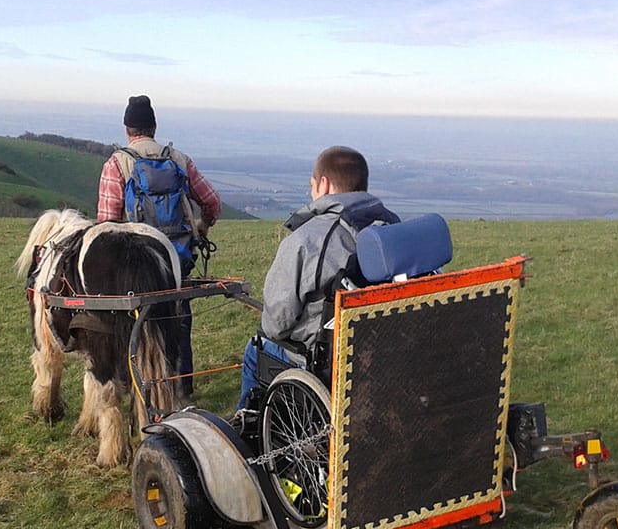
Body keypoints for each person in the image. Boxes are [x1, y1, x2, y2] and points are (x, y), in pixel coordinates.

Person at [235, 145, 400, 415]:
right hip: (382, 352)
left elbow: (276, 325)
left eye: (312, 184)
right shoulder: (394, 228)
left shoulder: (306, 240)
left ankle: (247, 426)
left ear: (323, 185)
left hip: (325, 363)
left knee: (257, 348)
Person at [96, 95, 221, 395]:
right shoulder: (179, 160)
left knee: (130, 326)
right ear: (154, 127)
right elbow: (212, 202)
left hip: (133, 266)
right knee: (177, 321)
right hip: (176, 260)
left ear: (127, 129)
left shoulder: (117, 164)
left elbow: (105, 225)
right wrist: (201, 227)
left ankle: (135, 385)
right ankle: (181, 388)